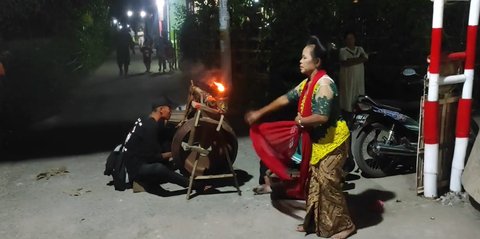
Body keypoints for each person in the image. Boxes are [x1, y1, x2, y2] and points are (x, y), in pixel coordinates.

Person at [245, 36, 355, 238]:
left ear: (317, 62)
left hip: (334, 142)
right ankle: (312, 223)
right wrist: (259, 113)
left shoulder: (324, 84)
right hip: (319, 141)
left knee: (328, 184)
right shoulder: (307, 83)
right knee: (313, 183)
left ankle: (344, 226)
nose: (300, 61)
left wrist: (301, 121)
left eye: (304, 57)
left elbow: (321, 117)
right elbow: (284, 99)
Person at [122, 99, 200, 194]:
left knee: (167, 146)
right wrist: (175, 153)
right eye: (169, 109)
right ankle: (194, 185)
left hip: (136, 160)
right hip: (135, 169)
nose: (171, 111)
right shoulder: (151, 127)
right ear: (161, 109)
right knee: (159, 169)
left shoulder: (146, 120)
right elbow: (152, 157)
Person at [338, 31, 368, 123]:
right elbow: (345, 62)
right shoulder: (343, 50)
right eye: (348, 39)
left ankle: (358, 113)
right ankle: (347, 115)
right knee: (348, 94)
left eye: (352, 38)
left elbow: (365, 58)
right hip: (347, 77)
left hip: (358, 78)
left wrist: (353, 60)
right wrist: (359, 59)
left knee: (358, 93)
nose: (350, 40)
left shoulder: (360, 49)